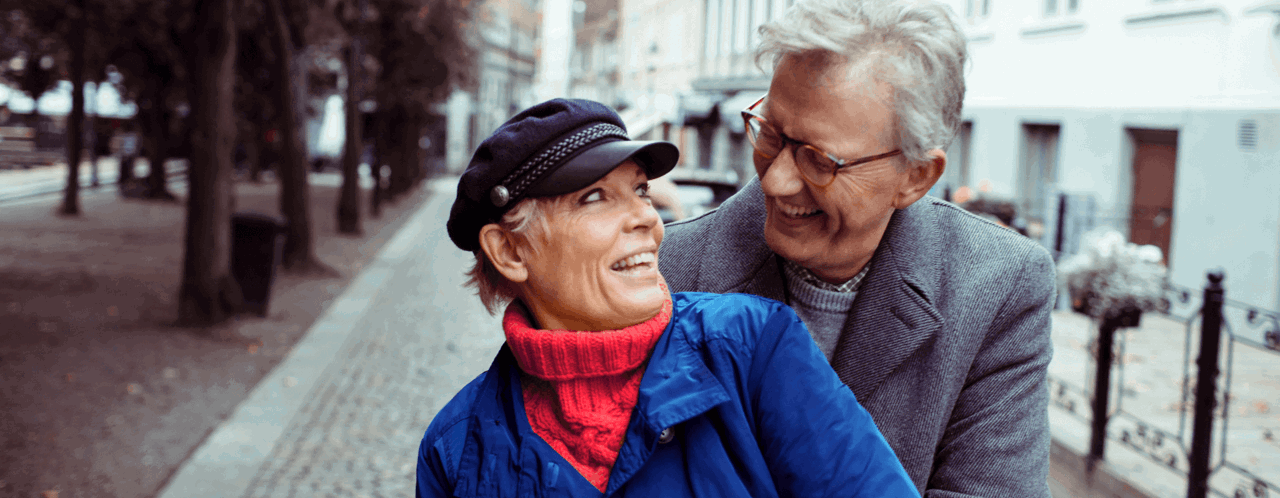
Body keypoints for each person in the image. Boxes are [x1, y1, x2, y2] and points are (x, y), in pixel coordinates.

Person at [418, 98, 918, 497]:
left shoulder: (753, 347)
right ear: (509, 251)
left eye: (638, 190)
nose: (646, 217)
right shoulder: (456, 450)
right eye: (594, 198)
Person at [657, 0, 1057, 496]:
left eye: (819, 160)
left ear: (915, 176)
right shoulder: (662, 271)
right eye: (771, 135)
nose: (776, 182)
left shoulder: (998, 286)